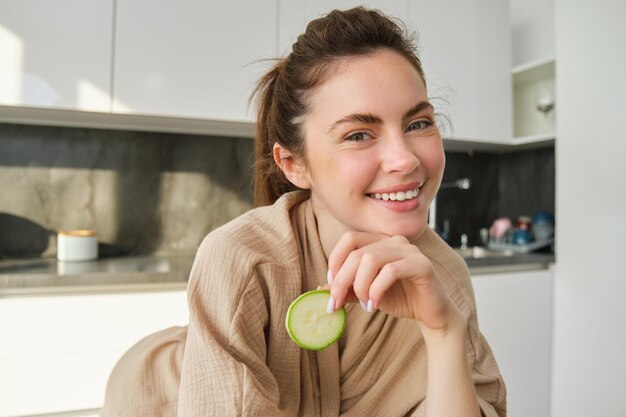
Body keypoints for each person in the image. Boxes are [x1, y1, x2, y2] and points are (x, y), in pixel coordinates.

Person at [102, 6, 506, 417]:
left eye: (418, 124)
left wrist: (444, 332)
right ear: (295, 164)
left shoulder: (442, 274)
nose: (403, 160)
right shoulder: (241, 260)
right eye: (358, 134)